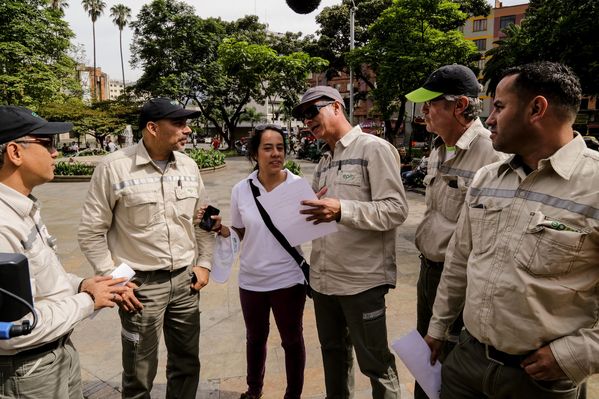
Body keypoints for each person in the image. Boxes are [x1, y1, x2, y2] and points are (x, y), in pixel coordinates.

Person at [425, 61, 598, 398]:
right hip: (466, 364)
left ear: (536, 109)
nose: (488, 118)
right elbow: (460, 260)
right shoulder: (487, 178)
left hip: (539, 380)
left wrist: (577, 355)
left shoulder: (593, 186)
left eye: (500, 107)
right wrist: (438, 327)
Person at [78, 97, 215, 399]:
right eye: (178, 123)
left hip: (185, 282)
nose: (187, 130)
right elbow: (90, 232)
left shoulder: (190, 167)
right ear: (152, 128)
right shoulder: (114, 168)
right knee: (139, 371)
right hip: (138, 288)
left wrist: (204, 263)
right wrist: (114, 280)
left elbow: (202, 220)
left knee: (187, 363)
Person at [0, 106, 126, 398]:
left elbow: (41, 275)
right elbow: (14, 329)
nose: (56, 153)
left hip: (54, 354)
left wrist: (81, 284)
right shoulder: (3, 225)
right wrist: (87, 301)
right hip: (27, 371)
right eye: (47, 144)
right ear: (15, 152)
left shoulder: (22, 206)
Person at [293, 86, 408, 398]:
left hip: (362, 282)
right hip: (324, 282)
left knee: (375, 364)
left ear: (336, 107)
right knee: (333, 356)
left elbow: (396, 210)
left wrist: (342, 209)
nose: (307, 121)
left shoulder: (374, 149)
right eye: (303, 117)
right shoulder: (324, 161)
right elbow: (320, 220)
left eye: (311, 111)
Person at [404, 64, 506, 399]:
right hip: (428, 270)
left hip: (461, 278)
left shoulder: (491, 153)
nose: (425, 112)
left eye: (431, 104)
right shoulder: (439, 147)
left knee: (450, 360)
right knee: (426, 353)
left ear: (459, 106)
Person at [201, 124, 307, 399]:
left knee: (292, 340)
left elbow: (306, 229)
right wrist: (222, 230)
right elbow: (239, 230)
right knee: (255, 339)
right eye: (268, 147)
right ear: (255, 152)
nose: (275, 153)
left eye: (280, 147)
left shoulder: (298, 186)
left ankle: (293, 394)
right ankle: (253, 390)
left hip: (288, 279)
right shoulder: (241, 190)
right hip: (251, 279)